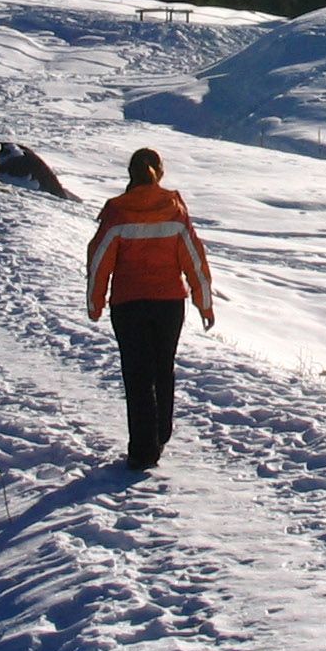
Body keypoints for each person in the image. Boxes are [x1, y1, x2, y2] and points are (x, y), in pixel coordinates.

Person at [86, 146, 215, 470]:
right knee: (162, 368)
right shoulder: (173, 208)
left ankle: (143, 450)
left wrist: (95, 302)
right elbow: (193, 257)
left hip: (129, 304)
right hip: (170, 303)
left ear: (130, 174)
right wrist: (204, 302)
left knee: (137, 374)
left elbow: (100, 259)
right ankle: (160, 433)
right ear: (160, 171)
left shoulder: (117, 211)